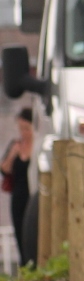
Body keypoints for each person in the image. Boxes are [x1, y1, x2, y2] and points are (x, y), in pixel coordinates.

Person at [2, 108, 33, 263]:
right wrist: (13, 154)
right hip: (18, 194)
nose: (23, 132)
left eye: (26, 128)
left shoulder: (38, 146)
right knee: (19, 230)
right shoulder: (16, 144)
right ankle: (24, 264)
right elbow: (5, 170)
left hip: (33, 194)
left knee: (33, 230)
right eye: (21, 129)